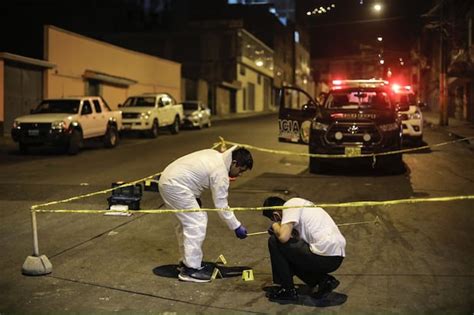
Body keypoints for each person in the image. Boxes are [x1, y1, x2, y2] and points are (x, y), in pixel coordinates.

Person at [158, 146, 253, 283]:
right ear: (234, 163)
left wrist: (193, 196)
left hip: (168, 181)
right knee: (196, 222)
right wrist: (236, 226)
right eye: (241, 170)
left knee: (185, 223)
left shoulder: (215, 155)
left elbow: (193, 174)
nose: (240, 175)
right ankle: (192, 270)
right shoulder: (220, 172)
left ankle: (187, 262)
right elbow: (221, 206)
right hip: (175, 185)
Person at [262, 196, 346, 301]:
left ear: (276, 215)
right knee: (289, 252)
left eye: (274, 219)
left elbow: (283, 237)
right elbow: (297, 243)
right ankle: (323, 281)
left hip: (325, 257)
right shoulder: (301, 204)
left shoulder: (289, 206)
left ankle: (287, 290)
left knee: (274, 241)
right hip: (336, 256)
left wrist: (275, 226)